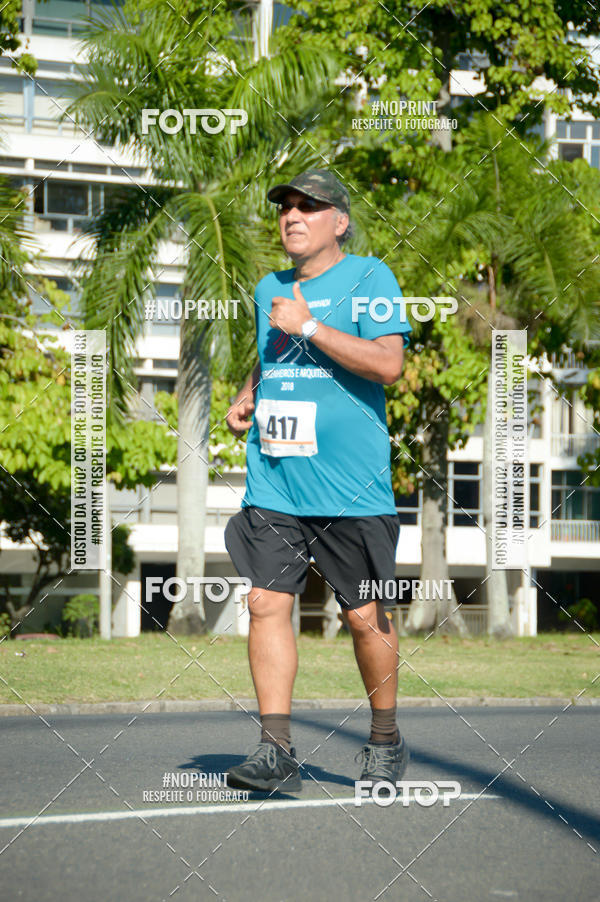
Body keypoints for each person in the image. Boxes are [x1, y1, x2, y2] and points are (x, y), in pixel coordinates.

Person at [224, 168, 412, 793]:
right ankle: (276, 751)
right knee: (264, 603)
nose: (293, 215)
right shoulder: (268, 288)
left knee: (365, 618)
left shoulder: (371, 278)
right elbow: (270, 357)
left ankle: (384, 739)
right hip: (276, 480)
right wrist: (248, 394)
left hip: (350, 489)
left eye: (310, 206)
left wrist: (309, 326)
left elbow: (389, 364)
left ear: (341, 221)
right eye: (286, 206)